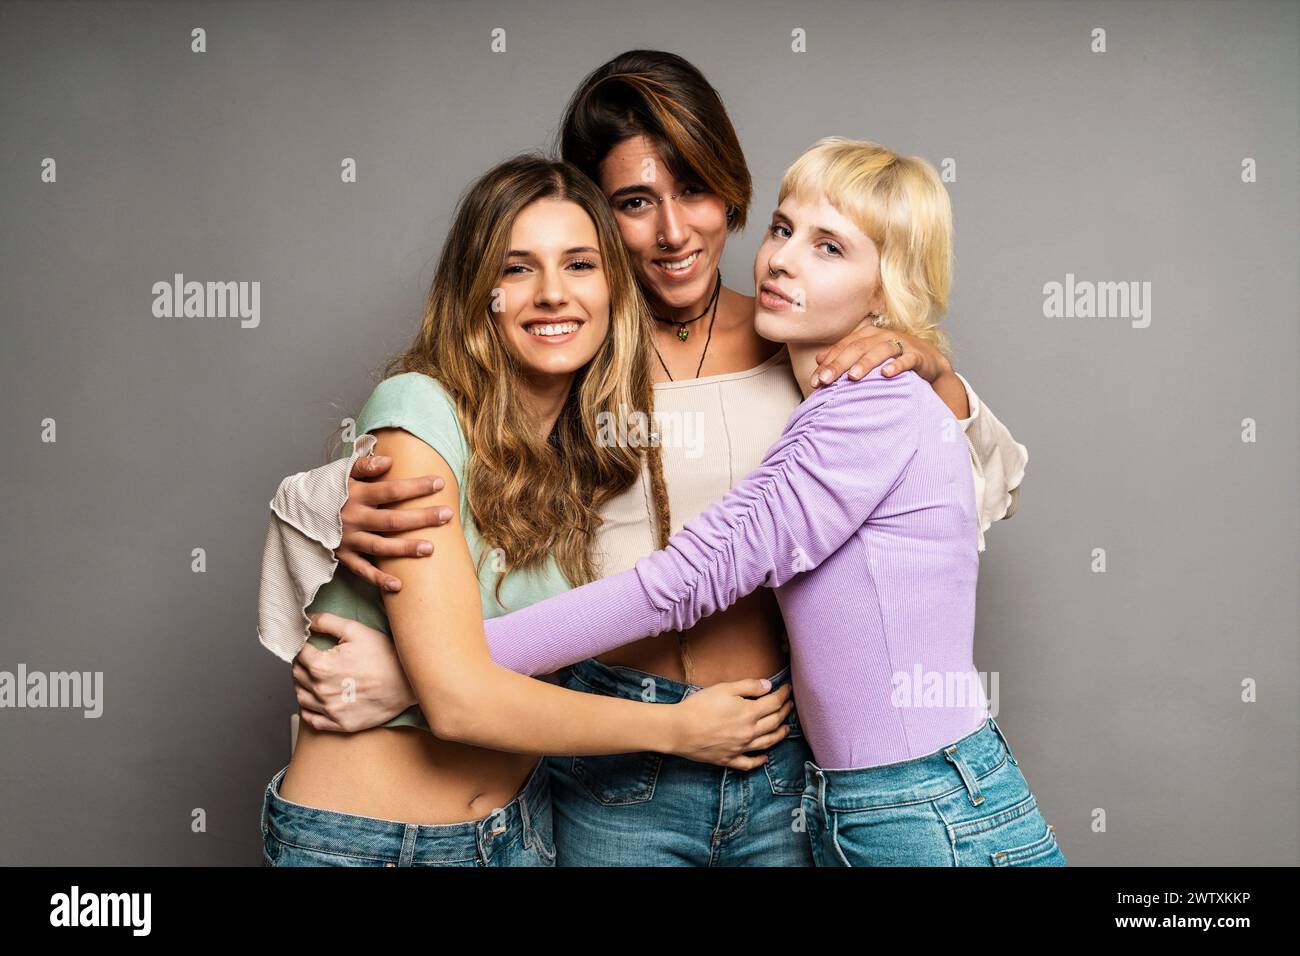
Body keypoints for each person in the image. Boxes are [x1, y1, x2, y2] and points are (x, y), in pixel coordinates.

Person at [272, 51, 1028, 866]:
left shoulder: (810, 346)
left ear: (732, 192)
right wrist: (363, 514)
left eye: (696, 191)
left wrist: (926, 361)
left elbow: (957, 482)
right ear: (596, 215)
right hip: (608, 759)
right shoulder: (563, 353)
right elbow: (437, 471)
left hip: (778, 753)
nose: (674, 233)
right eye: (634, 204)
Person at [430, 137, 1067, 866]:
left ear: (886, 289)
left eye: (830, 248)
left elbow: (683, 582)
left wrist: (446, 665)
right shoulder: (833, 407)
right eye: (783, 229)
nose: (784, 259)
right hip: (869, 802)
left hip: (925, 809)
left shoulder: (871, 407)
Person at [257, 154, 792, 867]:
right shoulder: (420, 408)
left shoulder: (575, 456)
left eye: (579, 265)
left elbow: (514, 649)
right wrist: (677, 729)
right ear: (481, 293)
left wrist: (401, 675)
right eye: (516, 269)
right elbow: (459, 702)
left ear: (612, 289)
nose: (551, 294)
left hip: (520, 834)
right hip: (376, 847)